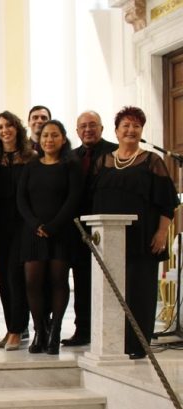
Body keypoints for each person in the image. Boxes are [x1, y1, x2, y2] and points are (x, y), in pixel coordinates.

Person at [92, 106, 178, 360]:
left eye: (136, 126)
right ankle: (112, 343)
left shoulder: (152, 161)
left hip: (143, 239)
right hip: (109, 240)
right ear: (116, 131)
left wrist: (162, 233)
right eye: (126, 126)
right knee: (112, 292)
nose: (131, 130)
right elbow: (93, 201)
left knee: (139, 292)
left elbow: (167, 202)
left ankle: (138, 345)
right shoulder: (103, 161)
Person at [17, 120, 82, 355]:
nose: (49, 140)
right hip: (33, 232)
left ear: (63, 139)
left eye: (54, 135)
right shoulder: (31, 166)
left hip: (61, 232)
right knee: (32, 283)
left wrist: (53, 226)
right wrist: (35, 224)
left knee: (58, 282)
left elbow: (73, 199)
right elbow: (21, 199)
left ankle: (55, 331)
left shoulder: (71, 166)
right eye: (45, 135)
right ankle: (40, 331)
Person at [64, 111, 117, 347]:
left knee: (109, 282)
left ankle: (111, 332)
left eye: (92, 125)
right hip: (77, 230)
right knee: (82, 281)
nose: (88, 130)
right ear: (77, 131)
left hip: (108, 227)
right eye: (83, 126)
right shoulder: (70, 157)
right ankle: (83, 330)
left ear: (102, 128)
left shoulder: (115, 153)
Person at [0, 111, 37, 351]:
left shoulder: (31, 158)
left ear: (17, 128)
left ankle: (18, 329)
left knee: (17, 278)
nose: (5, 130)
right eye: (0, 127)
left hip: (24, 225)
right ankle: (11, 328)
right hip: (0, 227)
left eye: (8, 125)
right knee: (5, 280)